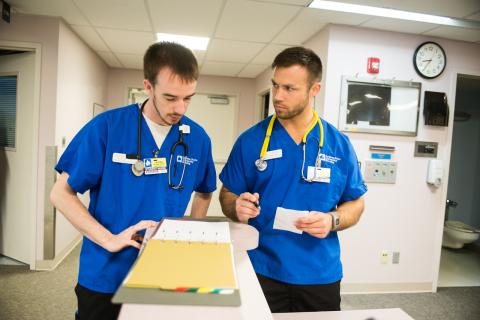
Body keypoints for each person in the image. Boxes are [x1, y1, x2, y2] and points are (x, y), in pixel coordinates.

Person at [50, 42, 217, 320]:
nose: (180, 108)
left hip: (164, 273)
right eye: (170, 97)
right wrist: (110, 239)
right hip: (106, 271)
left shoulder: (197, 139)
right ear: (148, 87)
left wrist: (192, 237)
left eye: (188, 98)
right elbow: (61, 194)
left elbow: (204, 191)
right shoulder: (106, 127)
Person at [219, 46, 367, 313]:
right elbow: (227, 195)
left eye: (289, 88)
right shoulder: (251, 141)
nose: (277, 96)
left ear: (314, 90)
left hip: (319, 274)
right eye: (275, 86)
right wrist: (236, 206)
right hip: (260, 267)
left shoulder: (338, 145)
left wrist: (331, 220)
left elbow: (355, 203)